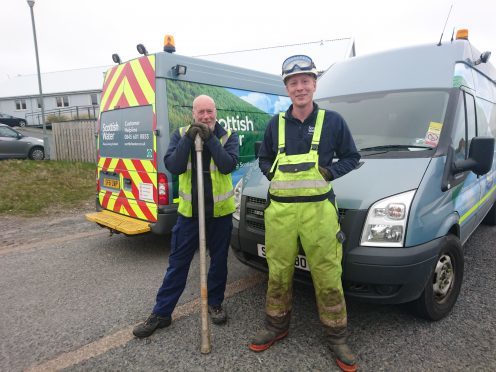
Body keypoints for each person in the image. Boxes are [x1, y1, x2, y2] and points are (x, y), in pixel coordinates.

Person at [249, 55, 360, 371]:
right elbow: (263, 159)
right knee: (278, 271)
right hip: (281, 215)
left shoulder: (333, 121)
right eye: (293, 82)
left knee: (327, 273)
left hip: (318, 213)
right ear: (287, 88)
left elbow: (352, 156)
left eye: (305, 81)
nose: (300, 87)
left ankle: (337, 336)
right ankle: (276, 327)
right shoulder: (276, 124)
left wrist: (329, 172)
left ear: (314, 84)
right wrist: (275, 175)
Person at [133, 95, 239, 338]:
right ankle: (162, 313)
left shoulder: (227, 135)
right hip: (190, 214)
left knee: (218, 262)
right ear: (193, 114)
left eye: (209, 111)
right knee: (178, 263)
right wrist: (190, 139)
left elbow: (227, 165)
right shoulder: (181, 134)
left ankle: (214, 303)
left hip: (219, 214)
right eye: (200, 112)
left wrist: (210, 139)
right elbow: (175, 166)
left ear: (216, 111)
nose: (205, 117)